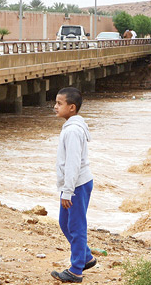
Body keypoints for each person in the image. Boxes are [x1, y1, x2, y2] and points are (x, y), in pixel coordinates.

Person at [51, 87, 96, 283]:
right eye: (55, 102)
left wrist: (68, 191)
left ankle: (76, 270)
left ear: (72, 107)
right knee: (65, 223)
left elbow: (73, 163)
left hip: (77, 185)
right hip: (73, 185)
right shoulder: (72, 126)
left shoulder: (73, 131)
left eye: (59, 103)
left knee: (76, 227)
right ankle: (86, 257)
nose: (55, 106)